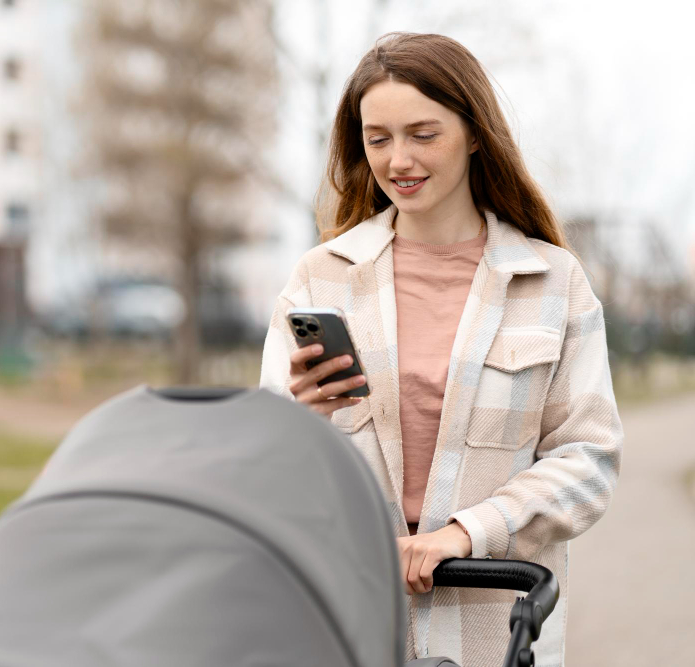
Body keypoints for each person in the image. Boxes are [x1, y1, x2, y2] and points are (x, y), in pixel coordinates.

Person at [259, 32, 623, 666]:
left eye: (423, 135)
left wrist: (464, 534)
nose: (398, 159)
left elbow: (587, 461)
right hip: (347, 627)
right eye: (378, 139)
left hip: (495, 629)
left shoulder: (553, 283)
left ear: (476, 133)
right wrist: (299, 419)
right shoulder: (320, 280)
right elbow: (264, 471)